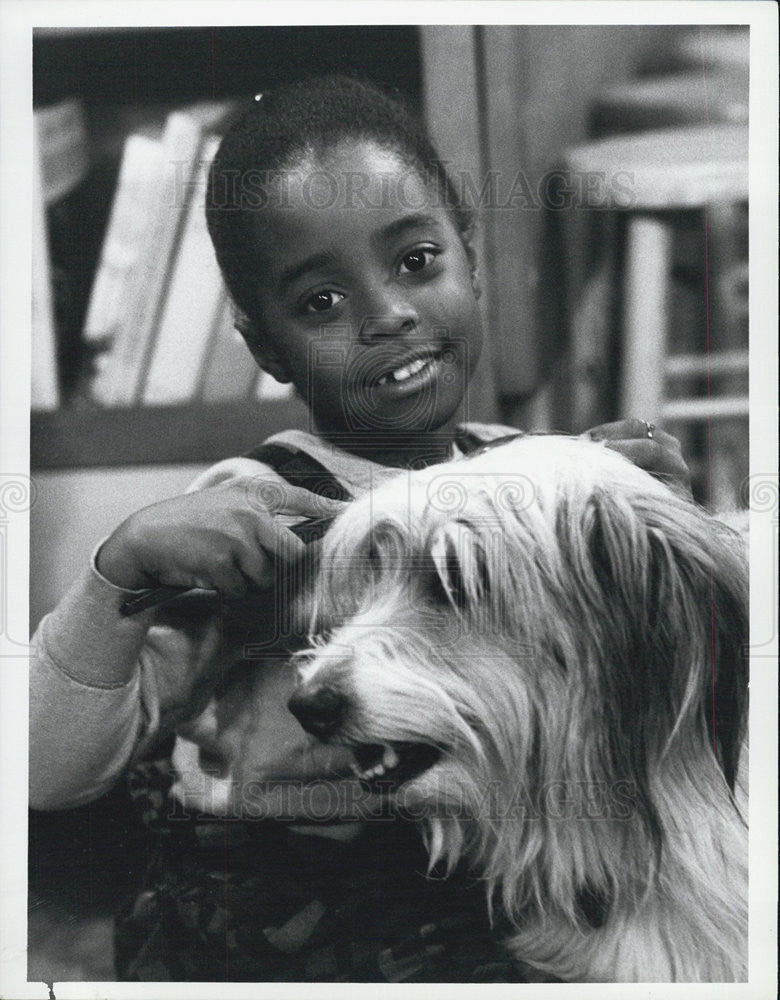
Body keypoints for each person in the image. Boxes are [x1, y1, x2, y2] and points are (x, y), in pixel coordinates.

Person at [30, 75, 691, 982]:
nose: (387, 315)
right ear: (265, 346)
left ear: (472, 256)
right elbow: (41, 773)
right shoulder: (248, 513)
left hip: (476, 879)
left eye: (417, 260)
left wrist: (633, 521)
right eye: (322, 304)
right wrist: (120, 573)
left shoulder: (527, 476)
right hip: (270, 909)